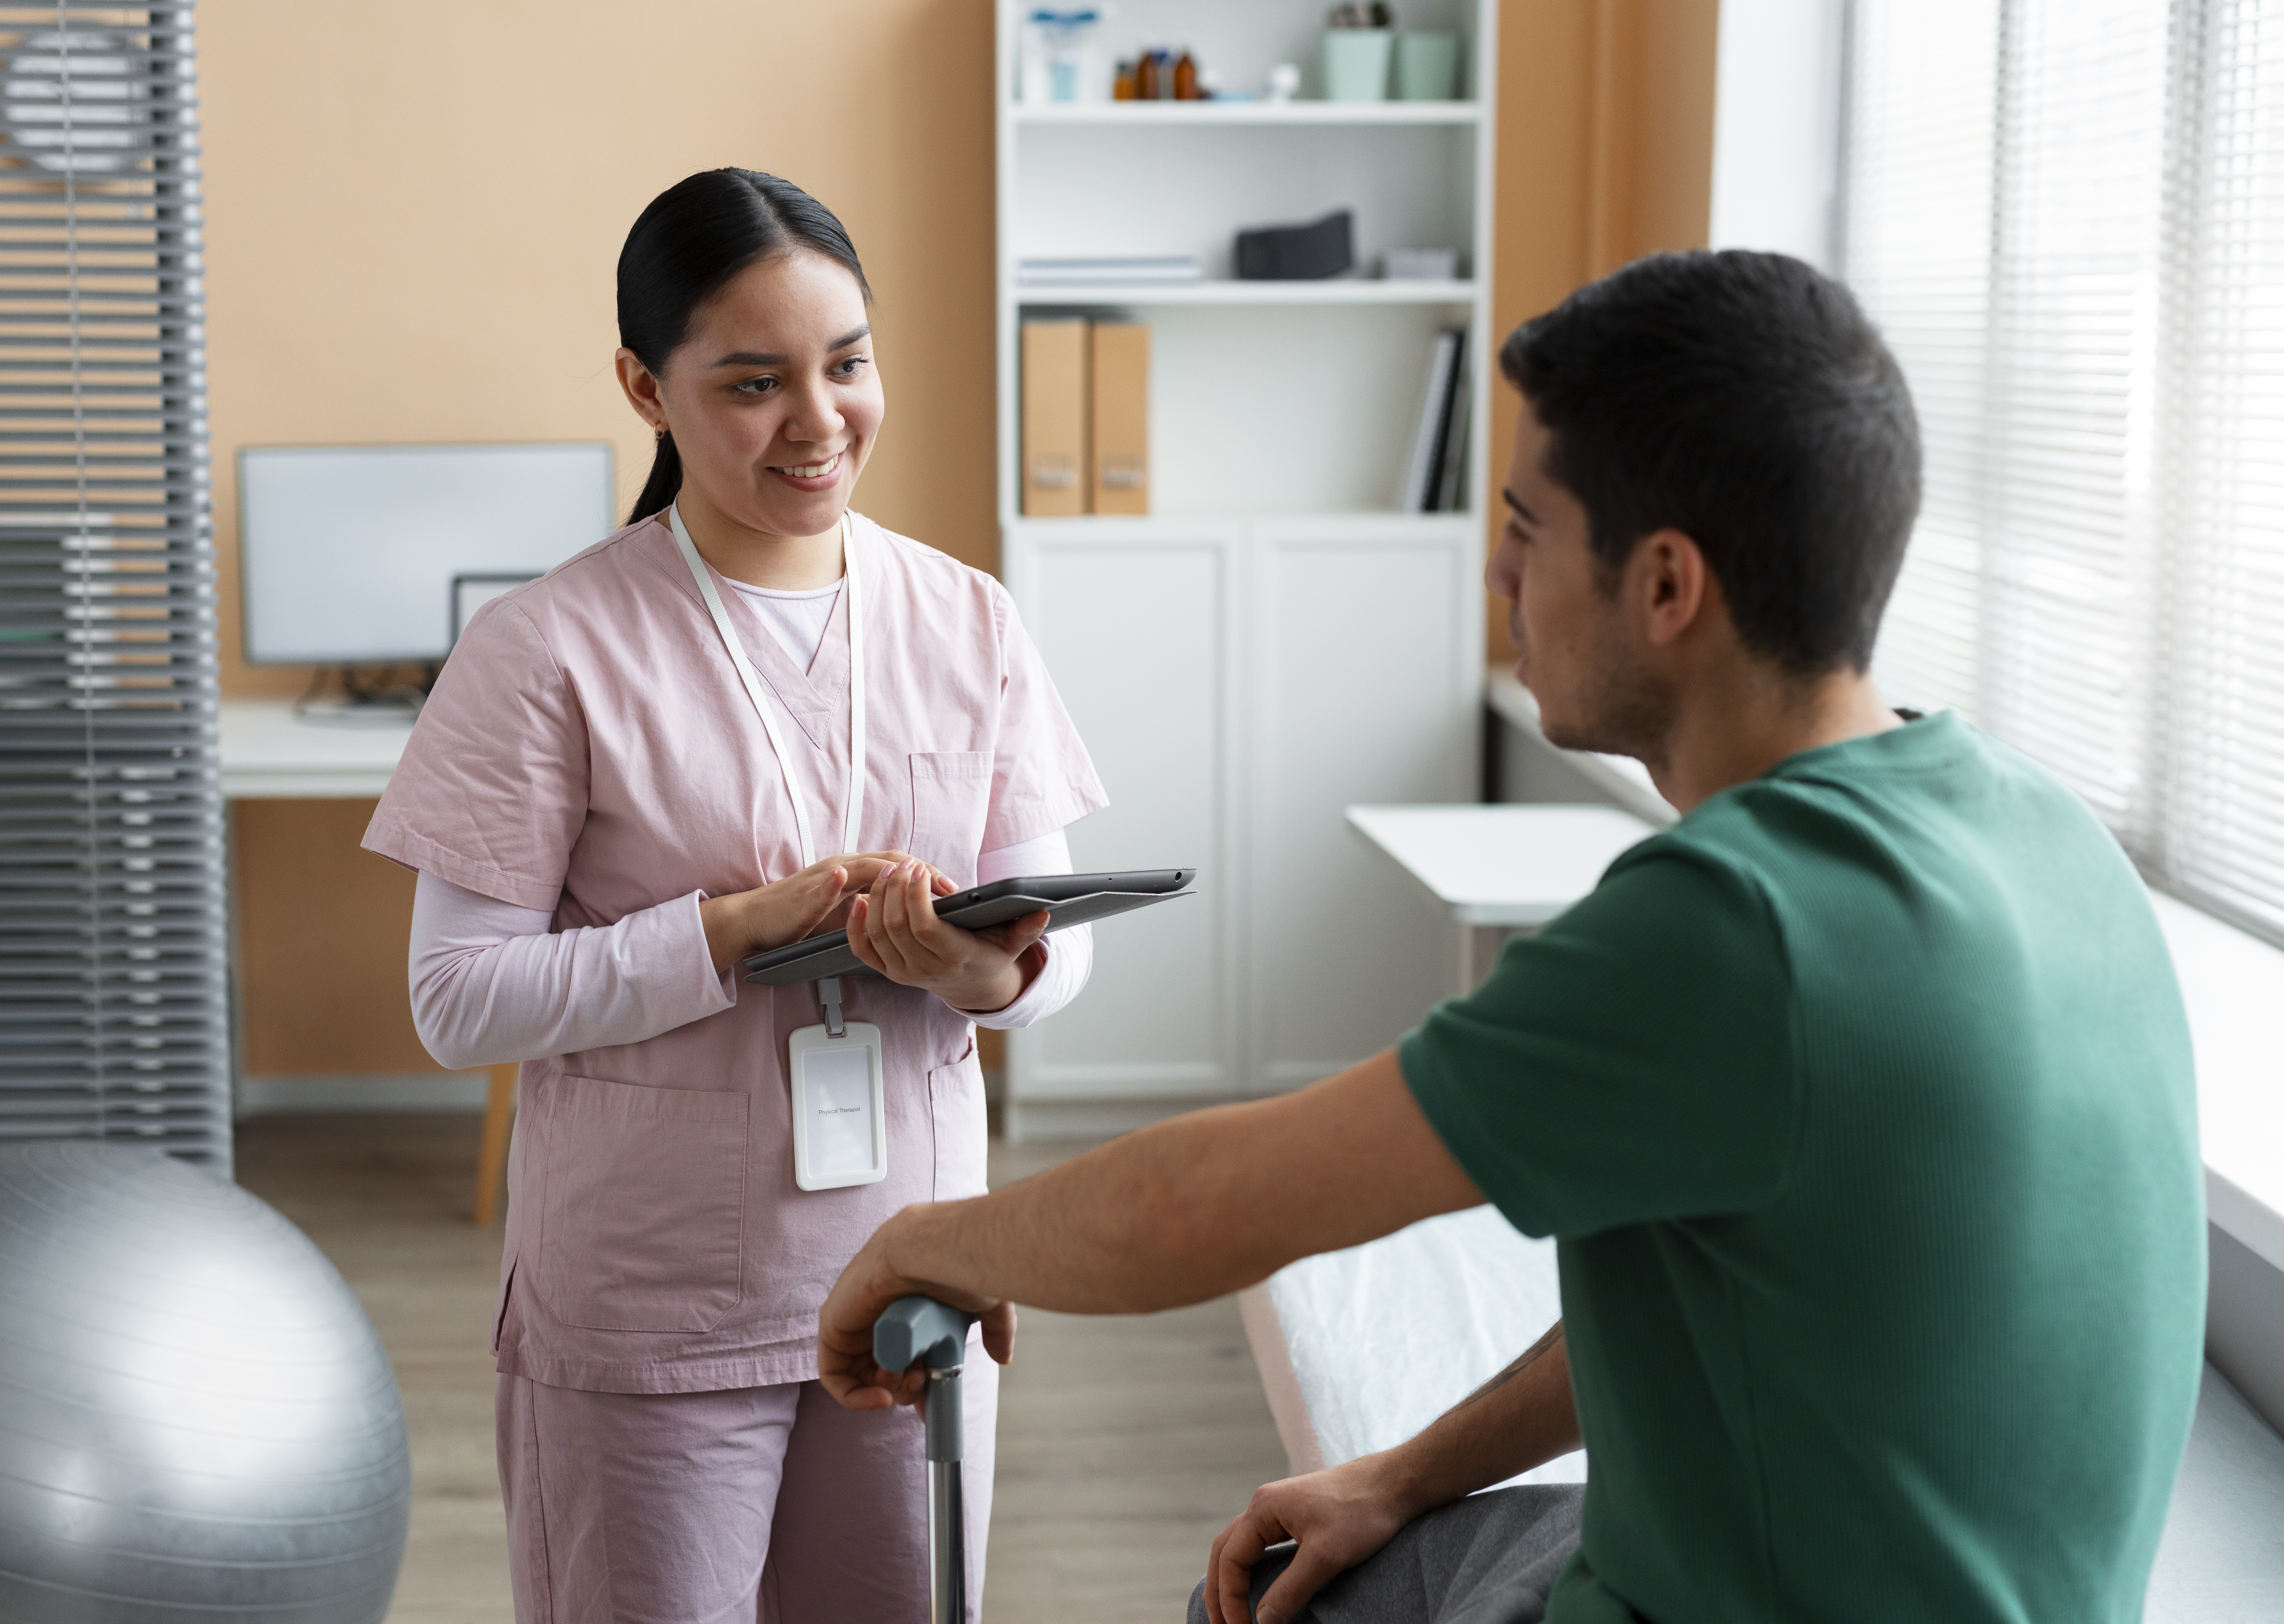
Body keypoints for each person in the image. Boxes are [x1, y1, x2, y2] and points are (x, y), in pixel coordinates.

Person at [815, 251, 2206, 1624]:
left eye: (1526, 528)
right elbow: (1714, 1304)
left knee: (1238, 1607)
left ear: (1665, 587)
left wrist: (922, 1244)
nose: (1495, 570)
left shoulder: (1737, 924)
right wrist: (1402, 1476)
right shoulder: (2040, 825)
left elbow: (1197, 1209)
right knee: (1339, 1553)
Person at [362, 167, 1105, 1624]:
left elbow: (1049, 946)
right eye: (753, 381)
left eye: (847, 364)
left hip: (910, 1273)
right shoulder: (547, 645)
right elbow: (456, 1001)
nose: (818, 421)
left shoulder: (968, 618)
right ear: (645, 386)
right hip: (652, 1299)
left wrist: (978, 976)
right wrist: (733, 929)